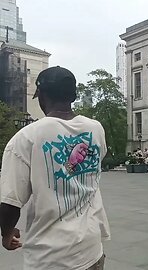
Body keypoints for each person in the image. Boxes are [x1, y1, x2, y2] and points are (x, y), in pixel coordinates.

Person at [0, 66, 110, 269]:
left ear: (41, 95)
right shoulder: (96, 129)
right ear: (74, 95)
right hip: (91, 251)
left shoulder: (26, 138)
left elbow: (10, 202)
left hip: (51, 258)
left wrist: (7, 234)